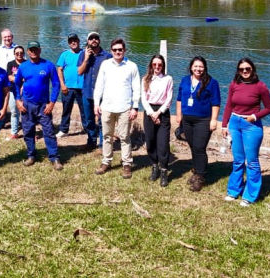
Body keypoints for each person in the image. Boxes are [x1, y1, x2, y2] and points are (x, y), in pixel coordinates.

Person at [222, 57, 270, 207]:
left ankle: (250, 196)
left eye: (247, 69)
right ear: (238, 70)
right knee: (238, 160)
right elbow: (229, 106)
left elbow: (269, 108)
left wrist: (254, 116)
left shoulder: (260, 86)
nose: (244, 71)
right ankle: (233, 191)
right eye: (241, 69)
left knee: (251, 162)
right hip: (234, 123)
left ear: (253, 69)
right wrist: (224, 125)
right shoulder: (234, 84)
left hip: (252, 126)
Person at [93, 38, 140, 179]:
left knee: (124, 137)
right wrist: (96, 103)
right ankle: (106, 162)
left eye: (120, 49)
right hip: (106, 107)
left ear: (124, 50)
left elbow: (136, 88)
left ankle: (127, 164)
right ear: (111, 51)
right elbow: (99, 85)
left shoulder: (132, 66)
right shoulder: (105, 65)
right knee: (107, 136)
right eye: (115, 50)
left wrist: (135, 107)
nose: (117, 52)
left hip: (125, 108)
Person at [175, 56, 221, 191]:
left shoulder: (212, 82)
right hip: (187, 120)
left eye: (201, 66)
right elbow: (179, 99)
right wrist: (179, 115)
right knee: (193, 146)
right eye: (196, 66)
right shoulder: (184, 80)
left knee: (200, 148)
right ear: (191, 67)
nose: (198, 69)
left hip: (203, 120)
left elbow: (216, 102)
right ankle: (196, 171)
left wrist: (214, 119)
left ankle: (201, 177)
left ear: (205, 68)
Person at [15, 41, 63, 170]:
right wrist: (18, 100)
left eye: (36, 49)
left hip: (43, 105)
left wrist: (52, 102)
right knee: (28, 131)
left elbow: (56, 84)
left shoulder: (48, 65)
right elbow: (16, 84)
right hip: (27, 105)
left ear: (40, 50)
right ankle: (31, 155)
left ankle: (54, 157)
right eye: (31, 49)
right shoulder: (23, 67)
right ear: (28, 51)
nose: (34, 51)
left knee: (49, 132)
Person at [141, 55, 174, 188]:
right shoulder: (145, 79)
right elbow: (143, 98)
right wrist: (151, 113)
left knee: (163, 144)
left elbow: (169, 98)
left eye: (159, 65)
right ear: (151, 65)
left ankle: (164, 171)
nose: (157, 67)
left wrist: (158, 113)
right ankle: (155, 167)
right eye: (154, 64)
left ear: (163, 65)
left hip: (162, 112)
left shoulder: (168, 79)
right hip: (149, 111)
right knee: (150, 142)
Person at [77, 32, 111, 151]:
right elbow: (79, 72)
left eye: (96, 38)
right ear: (88, 41)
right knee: (89, 119)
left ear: (99, 41)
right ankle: (91, 142)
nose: (94, 40)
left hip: (102, 95)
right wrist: (86, 59)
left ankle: (103, 145)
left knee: (103, 120)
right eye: (91, 38)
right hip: (87, 92)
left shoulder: (107, 56)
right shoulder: (83, 54)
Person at [56, 33, 86, 138]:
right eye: (71, 41)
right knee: (66, 109)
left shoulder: (84, 53)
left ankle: (87, 130)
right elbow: (59, 69)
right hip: (68, 88)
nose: (73, 42)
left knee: (85, 110)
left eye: (75, 40)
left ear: (79, 41)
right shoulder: (64, 54)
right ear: (69, 43)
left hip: (82, 88)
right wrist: (62, 84)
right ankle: (64, 130)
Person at [0, 28, 17, 130]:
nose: (7, 38)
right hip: (0, 79)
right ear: (1, 38)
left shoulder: (17, 49)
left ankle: (14, 125)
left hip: (13, 81)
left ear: (12, 37)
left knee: (13, 105)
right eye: (5, 37)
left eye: (9, 36)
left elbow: (22, 64)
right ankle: (0, 122)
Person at [4, 46, 26, 141]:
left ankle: (29, 133)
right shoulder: (10, 64)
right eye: (17, 53)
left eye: (21, 52)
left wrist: (16, 78)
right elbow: (9, 77)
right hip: (13, 91)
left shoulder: (27, 63)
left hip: (26, 91)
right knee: (14, 112)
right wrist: (22, 79)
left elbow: (29, 78)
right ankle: (14, 133)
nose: (19, 54)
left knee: (27, 113)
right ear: (14, 54)